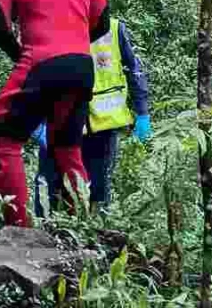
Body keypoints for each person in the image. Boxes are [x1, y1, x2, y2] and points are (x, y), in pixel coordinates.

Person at [0, 0, 110, 227]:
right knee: (67, 147)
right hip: (82, 67)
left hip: (41, 60)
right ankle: (80, 228)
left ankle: (18, 231)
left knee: (3, 140)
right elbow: (103, 23)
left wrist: (20, 54)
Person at [32, 17, 151, 218]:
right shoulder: (50, 27)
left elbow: (135, 70)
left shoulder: (113, 29)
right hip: (60, 124)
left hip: (101, 126)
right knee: (50, 185)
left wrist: (142, 112)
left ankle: (92, 236)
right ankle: (45, 232)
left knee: (97, 189)